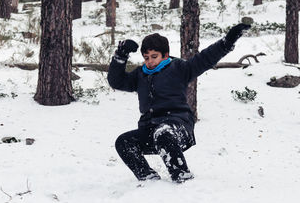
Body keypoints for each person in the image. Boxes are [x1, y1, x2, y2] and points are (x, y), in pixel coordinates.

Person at [107, 23, 251, 183]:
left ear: (165, 55)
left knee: (163, 133)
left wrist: (229, 40)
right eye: (146, 58)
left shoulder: (179, 68)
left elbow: (205, 58)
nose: (150, 62)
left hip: (178, 126)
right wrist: (121, 55)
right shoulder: (140, 74)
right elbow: (117, 81)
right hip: (150, 128)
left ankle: (182, 176)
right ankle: (149, 179)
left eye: (154, 57)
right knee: (124, 142)